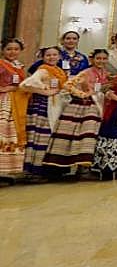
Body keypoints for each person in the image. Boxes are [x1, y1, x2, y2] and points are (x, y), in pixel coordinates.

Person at [42, 48, 109, 174]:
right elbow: (68, 85)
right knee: (80, 136)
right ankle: (70, 167)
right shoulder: (86, 72)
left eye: (104, 58)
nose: (101, 61)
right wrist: (82, 94)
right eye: (98, 58)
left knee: (90, 137)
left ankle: (84, 166)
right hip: (84, 106)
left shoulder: (105, 73)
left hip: (98, 104)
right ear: (92, 60)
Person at [20, 47, 68, 177]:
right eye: (48, 55)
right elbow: (25, 85)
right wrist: (45, 92)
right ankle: (35, 169)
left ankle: (49, 169)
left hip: (56, 105)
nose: (51, 57)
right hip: (43, 106)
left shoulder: (59, 71)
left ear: (59, 57)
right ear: (43, 57)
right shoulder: (43, 70)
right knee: (41, 136)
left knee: (51, 136)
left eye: (54, 55)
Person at [0, 39, 27, 180]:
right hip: (3, 101)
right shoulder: (1, 64)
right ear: (3, 50)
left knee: (12, 134)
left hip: (17, 103)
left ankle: (5, 169)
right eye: (9, 49)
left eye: (16, 49)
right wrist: (3, 88)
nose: (12, 52)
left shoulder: (19, 66)